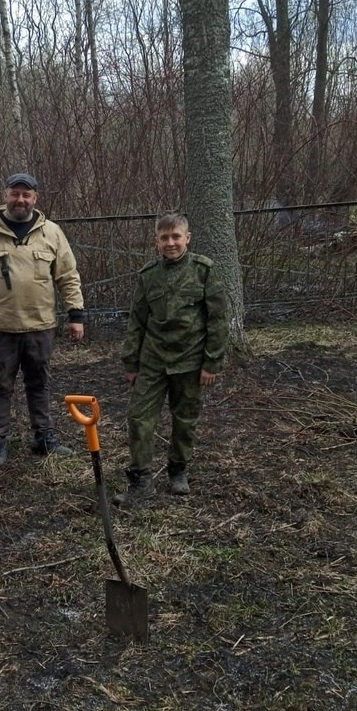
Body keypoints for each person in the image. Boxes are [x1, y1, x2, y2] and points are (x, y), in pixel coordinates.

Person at [0, 172, 85, 467]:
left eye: (26, 195)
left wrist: (76, 314)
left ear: (35, 199)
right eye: (15, 193)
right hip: (0, 327)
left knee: (40, 383)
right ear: (5, 196)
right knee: (0, 386)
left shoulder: (51, 232)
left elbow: (68, 274)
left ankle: (44, 437)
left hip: (40, 326)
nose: (20, 200)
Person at [115, 211, 228, 506]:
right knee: (139, 418)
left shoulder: (204, 271)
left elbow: (218, 319)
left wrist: (211, 362)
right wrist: (131, 362)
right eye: (164, 238)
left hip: (190, 361)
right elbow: (136, 321)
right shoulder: (149, 275)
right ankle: (141, 480)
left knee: (185, 419)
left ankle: (178, 470)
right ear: (156, 241)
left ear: (187, 238)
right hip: (153, 360)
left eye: (176, 237)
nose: (170, 243)